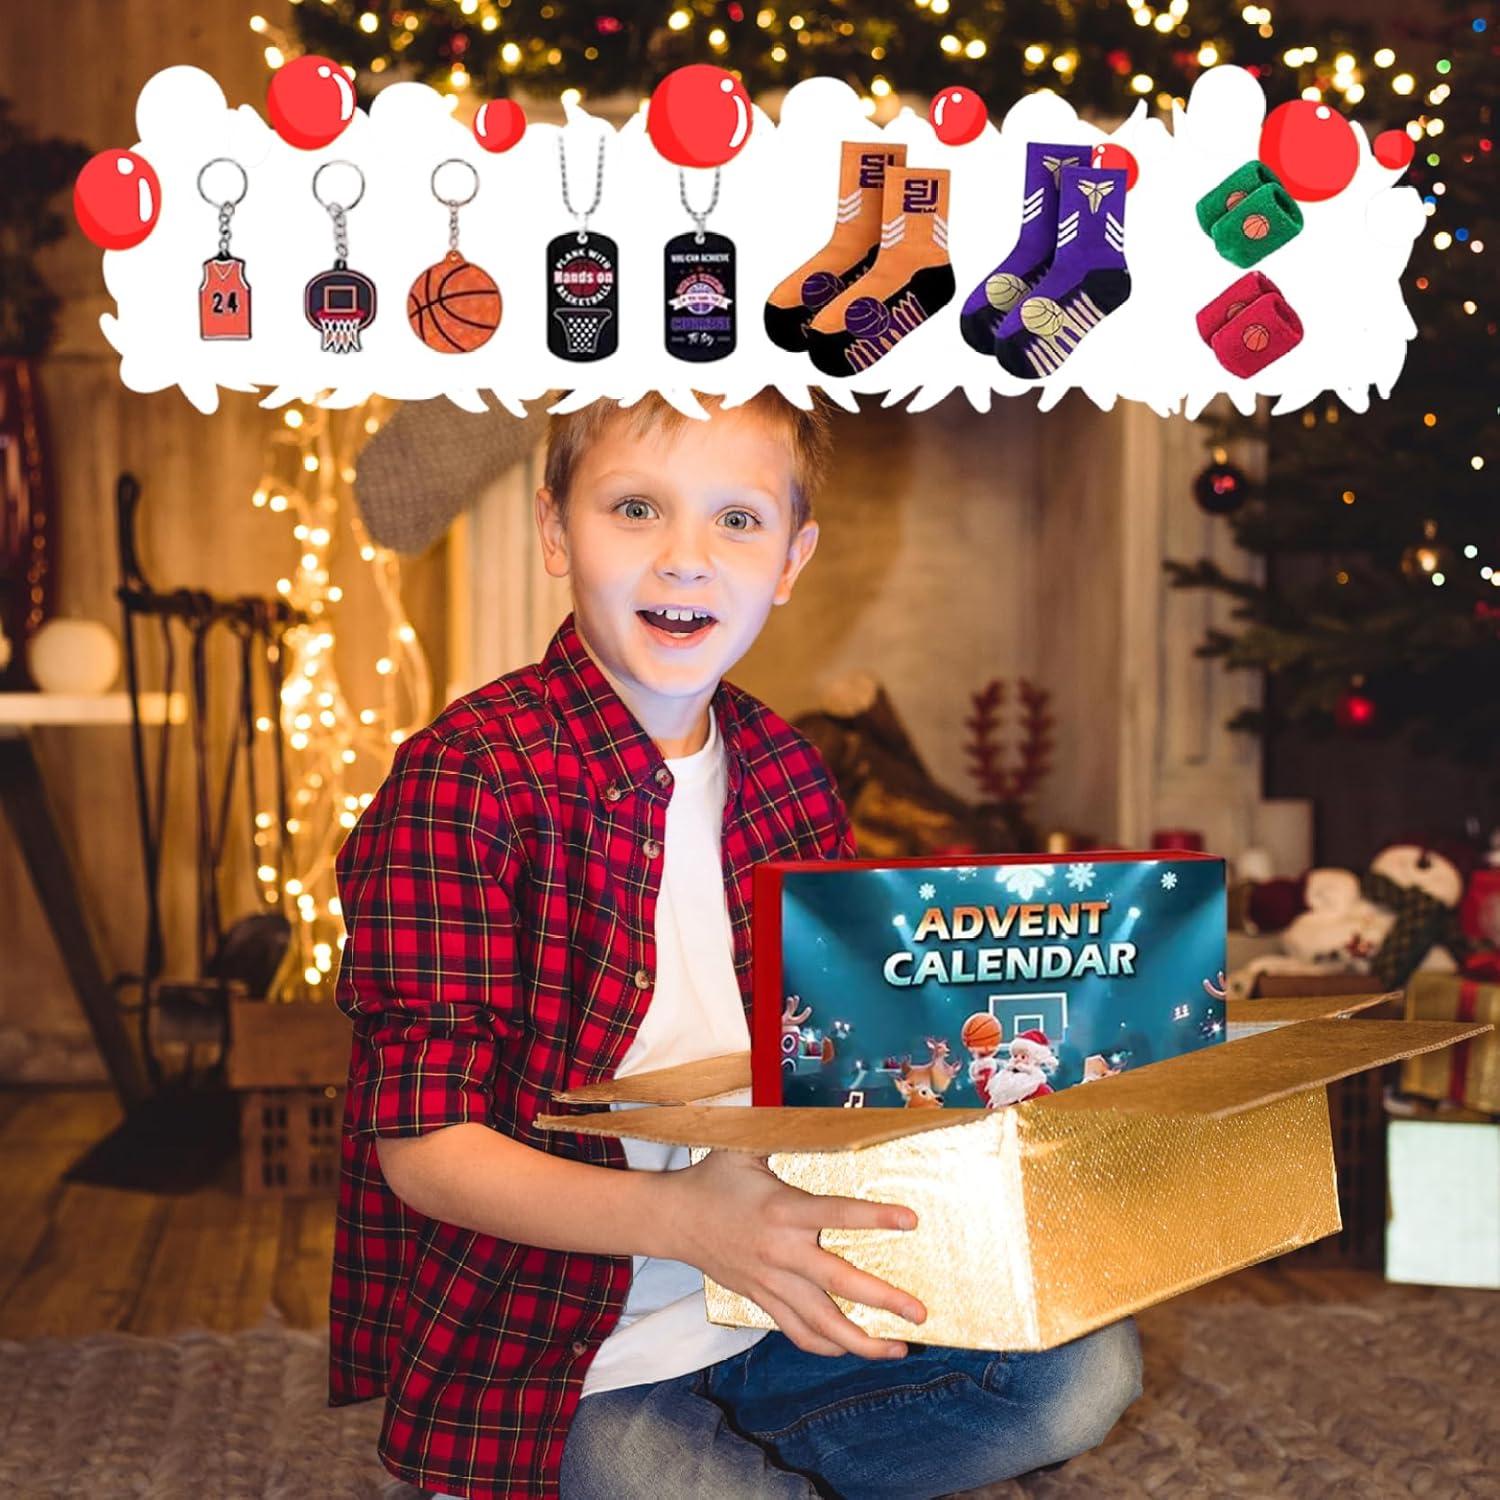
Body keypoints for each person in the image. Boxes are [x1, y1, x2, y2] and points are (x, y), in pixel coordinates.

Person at [328, 391, 1141, 1500]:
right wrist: (684, 1221)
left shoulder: (790, 774)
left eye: (738, 520)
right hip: (565, 1359)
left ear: (791, 560)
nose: (686, 558)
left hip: (770, 1299)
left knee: (1081, 1372)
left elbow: (841, 1067)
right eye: (636, 509)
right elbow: (424, 1149)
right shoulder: (466, 779)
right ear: (556, 530)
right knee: (650, 1472)